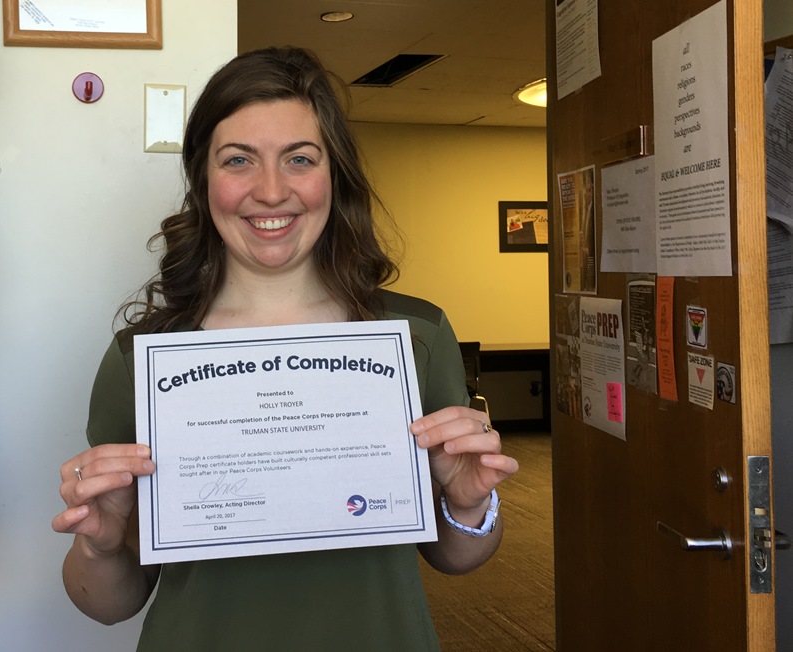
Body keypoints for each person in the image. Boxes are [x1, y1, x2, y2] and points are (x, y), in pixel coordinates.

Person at [52, 45, 519, 651]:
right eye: (239, 160)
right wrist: (100, 542)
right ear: (203, 178)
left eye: (299, 158)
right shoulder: (142, 357)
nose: (271, 191)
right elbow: (106, 605)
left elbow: (457, 557)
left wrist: (468, 503)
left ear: (334, 174)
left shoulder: (416, 338)